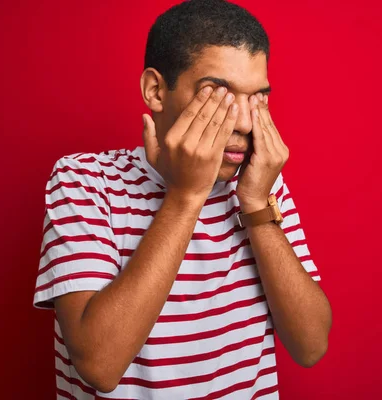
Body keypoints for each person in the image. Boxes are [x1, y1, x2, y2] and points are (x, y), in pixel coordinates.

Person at [33, 0, 332, 398]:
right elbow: (99, 366)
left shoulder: (261, 187)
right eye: (217, 94)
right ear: (156, 90)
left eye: (257, 98)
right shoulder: (84, 180)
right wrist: (185, 196)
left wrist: (257, 203)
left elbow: (311, 346)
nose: (243, 122)